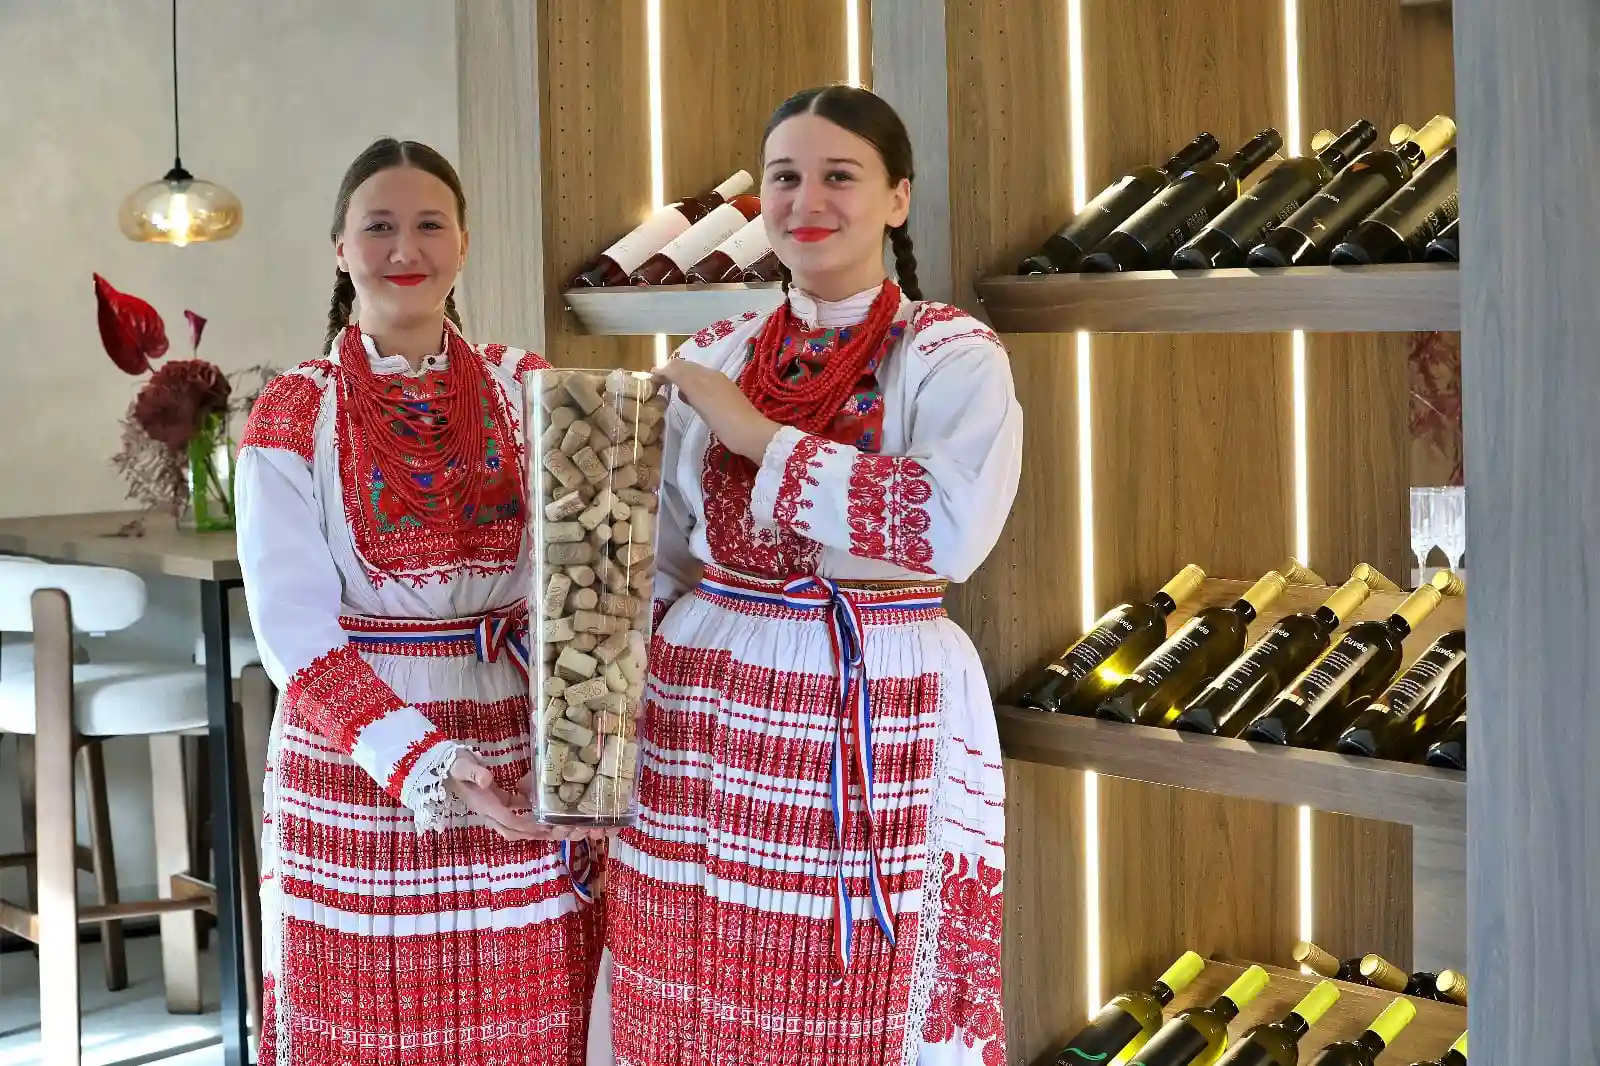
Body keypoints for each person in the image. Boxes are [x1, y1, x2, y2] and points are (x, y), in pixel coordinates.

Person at [592, 86, 1022, 1066]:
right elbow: (660, 552)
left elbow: (946, 526)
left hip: (870, 685)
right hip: (700, 696)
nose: (806, 200)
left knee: (844, 978)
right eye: (784, 177)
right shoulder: (720, 348)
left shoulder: (951, 353)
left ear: (897, 198)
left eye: (840, 176)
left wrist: (755, 435)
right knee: (681, 958)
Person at [236, 138, 602, 1065]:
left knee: (533, 1012)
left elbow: (591, 567)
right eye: (379, 227)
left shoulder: (529, 385)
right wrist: (427, 762)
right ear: (339, 248)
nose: (406, 248)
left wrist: (586, 747)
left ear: (464, 244)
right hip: (359, 756)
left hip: (520, 737)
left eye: (430, 225)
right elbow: (291, 629)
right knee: (371, 1022)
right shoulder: (293, 411)